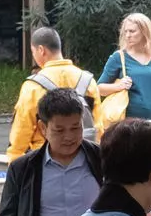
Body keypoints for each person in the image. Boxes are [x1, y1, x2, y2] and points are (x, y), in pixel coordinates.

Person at [7, 28, 96, 160]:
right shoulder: (88, 81)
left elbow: (22, 129)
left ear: (41, 50)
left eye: (33, 52)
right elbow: (98, 125)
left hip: (46, 159)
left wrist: (14, 161)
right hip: (83, 157)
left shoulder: (34, 85)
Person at [95, 13, 151, 125]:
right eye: (125, 31)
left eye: (132, 31)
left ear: (145, 32)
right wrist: (118, 86)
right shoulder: (118, 57)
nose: (128, 35)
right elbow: (99, 88)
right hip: (127, 125)